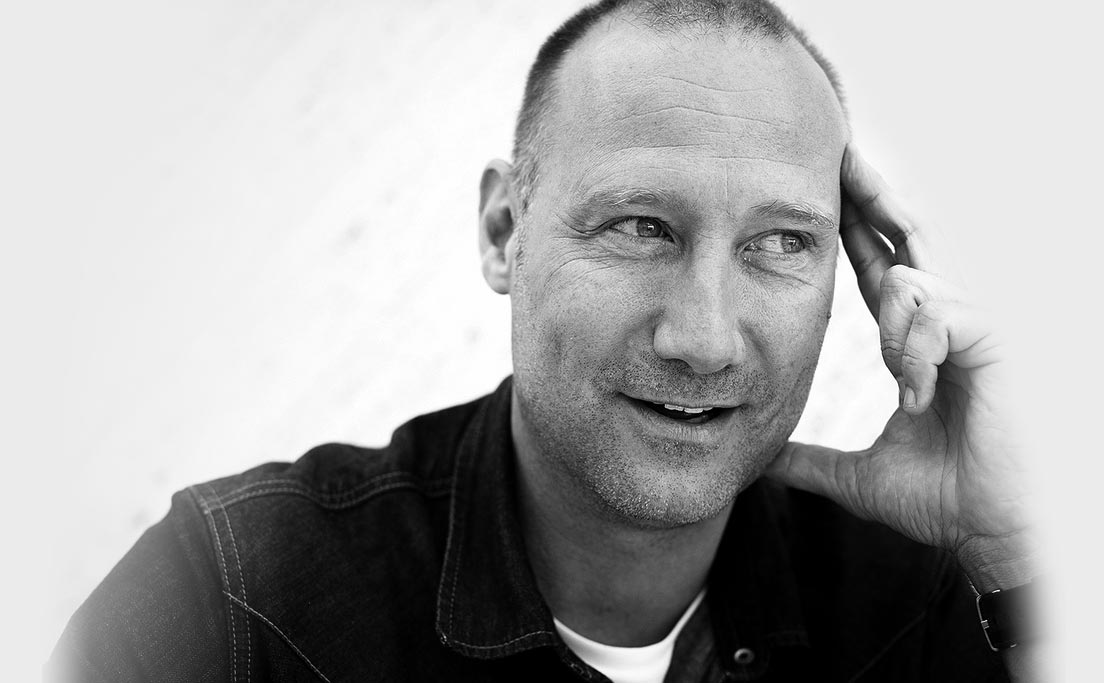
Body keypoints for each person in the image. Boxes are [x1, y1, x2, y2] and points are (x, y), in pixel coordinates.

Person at [48, 0, 1043, 681]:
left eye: (781, 241)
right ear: (504, 231)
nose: (703, 339)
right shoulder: (236, 596)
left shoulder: (921, 596)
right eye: (641, 226)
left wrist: (1021, 555)